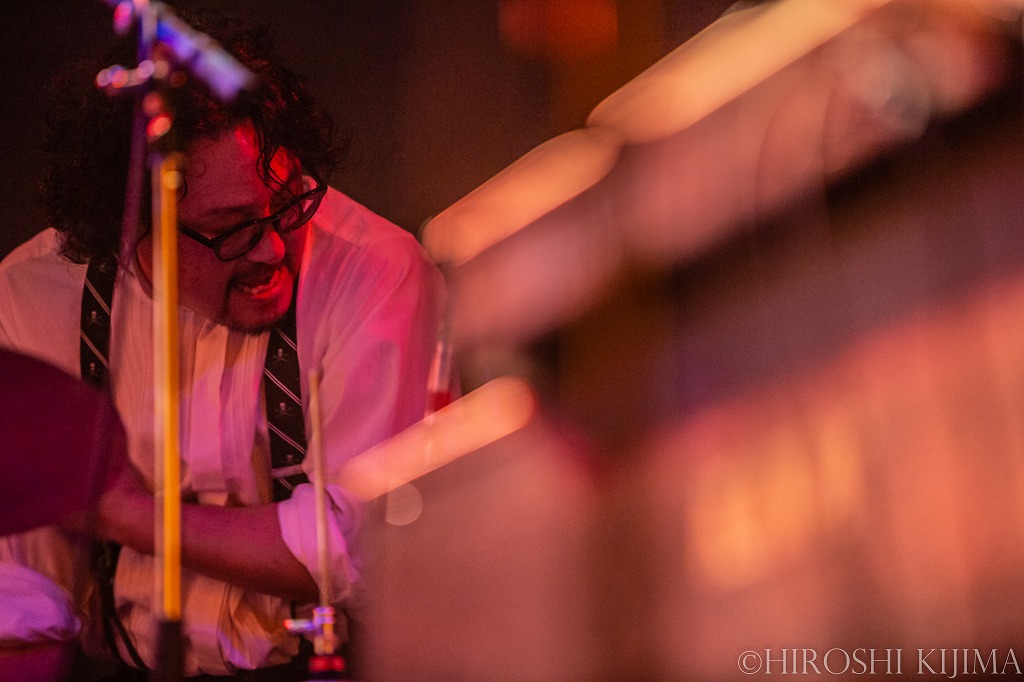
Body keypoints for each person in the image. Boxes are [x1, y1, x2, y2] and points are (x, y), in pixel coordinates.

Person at [0, 9, 445, 679]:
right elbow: (20, 593)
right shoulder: (31, 296)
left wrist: (122, 513)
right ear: (132, 228)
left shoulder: (377, 269)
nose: (272, 249)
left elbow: (366, 547)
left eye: (286, 202)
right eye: (231, 228)